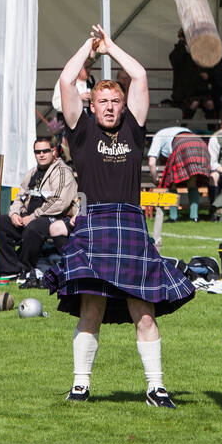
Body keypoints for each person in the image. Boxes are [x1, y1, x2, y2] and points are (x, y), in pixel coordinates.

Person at [45, 25, 194, 408]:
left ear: (123, 105)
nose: (109, 107)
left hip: (129, 224)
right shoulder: (81, 130)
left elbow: (141, 75)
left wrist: (110, 47)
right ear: (92, 106)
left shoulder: (134, 128)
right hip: (95, 223)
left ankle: (156, 388)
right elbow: (65, 78)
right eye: (103, 101)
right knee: (91, 307)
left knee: (143, 312)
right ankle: (80, 386)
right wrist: (88, 47)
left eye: (115, 101)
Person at [0, 136, 79, 286]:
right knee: (0, 223)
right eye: (37, 152)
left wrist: (33, 216)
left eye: (45, 151)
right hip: (28, 217)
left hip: (54, 218)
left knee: (34, 228)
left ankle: (26, 268)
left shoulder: (62, 172)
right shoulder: (32, 173)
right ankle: (10, 269)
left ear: (53, 152)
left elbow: (59, 202)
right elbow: (20, 197)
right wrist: (14, 213)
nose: (41, 154)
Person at [160, 131, 212, 223]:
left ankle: (173, 217)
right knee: (192, 181)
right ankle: (194, 217)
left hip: (182, 145)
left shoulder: (160, 136)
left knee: (172, 182)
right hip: (201, 145)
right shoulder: (186, 131)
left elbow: (153, 161)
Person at [169, 29, 216, 121]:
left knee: (210, 103)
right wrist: (182, 41)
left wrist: (207, 76)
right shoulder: (180, 52)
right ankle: (184, 127)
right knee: (194, 103)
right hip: (185, 90)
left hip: (200, 90)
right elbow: (176, 59)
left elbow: (212, 72)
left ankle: (212, 130)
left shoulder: (203, 55)